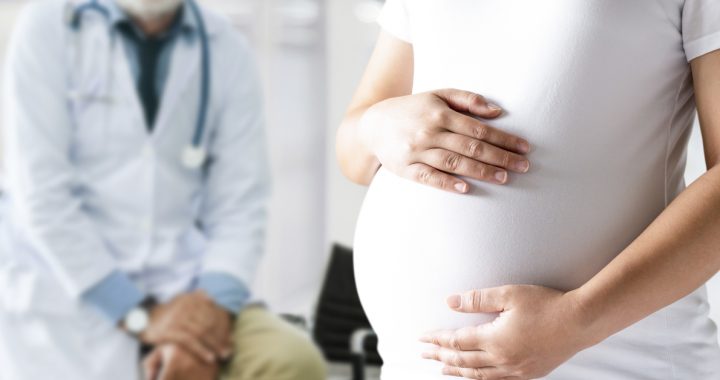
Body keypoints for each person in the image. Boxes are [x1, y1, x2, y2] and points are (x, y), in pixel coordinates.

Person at [338, 0, 720, 379]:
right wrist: (376, 126)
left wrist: (579, 319)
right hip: (415, 364)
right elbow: (354, 155)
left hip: (613, 360)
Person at [0, 0, 326, 379]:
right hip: (64, 293)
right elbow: (43, 198)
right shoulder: (49, 25)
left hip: (184, 285)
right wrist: (141, 317)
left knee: (289, 360)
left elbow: (241, 204)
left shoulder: (225, 47)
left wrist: (211, 315)